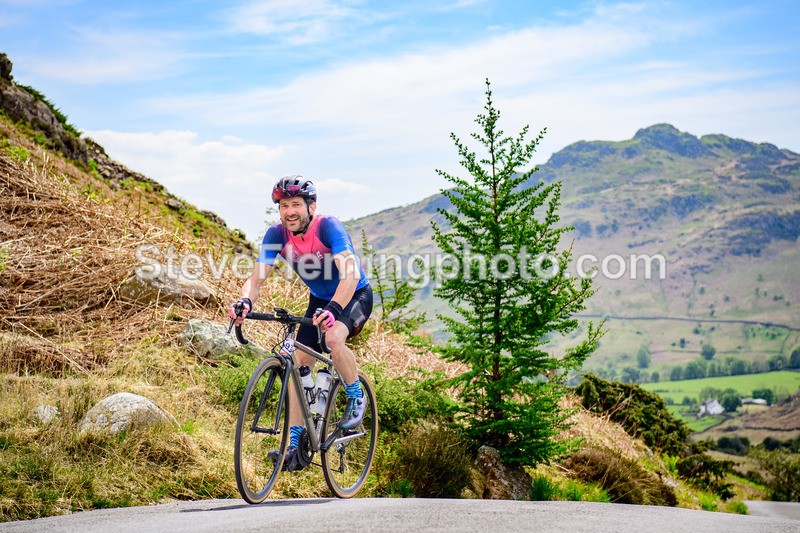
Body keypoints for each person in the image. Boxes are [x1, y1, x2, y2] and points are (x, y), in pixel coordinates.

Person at [228, 175, 373, 472]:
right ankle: (295, 443)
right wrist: (245, 302)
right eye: (284, 205)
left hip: (353, 294)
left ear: (311, 207)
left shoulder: (328, 226)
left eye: (295, 204)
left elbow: (351, 275)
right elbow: (256, 279)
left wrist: (334, 308)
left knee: (333, 340)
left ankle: (356, 395)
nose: (289, 211)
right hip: (320, 299)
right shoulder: (276, 234)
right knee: (296, 362)